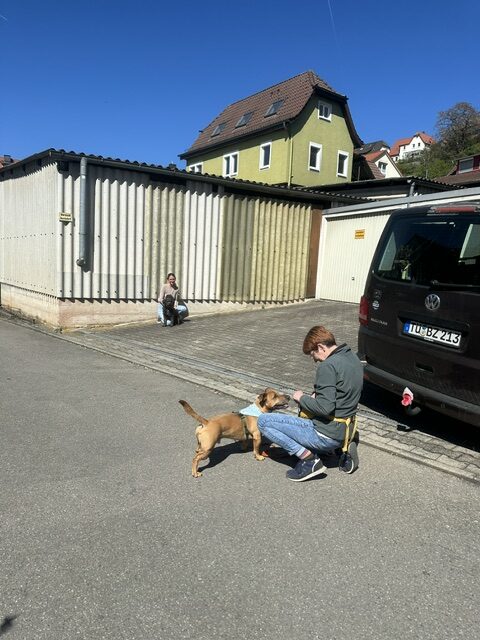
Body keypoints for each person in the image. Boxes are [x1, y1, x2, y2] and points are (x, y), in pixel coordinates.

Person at [257, 325, 363, 482]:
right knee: (307, 416)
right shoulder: (352, 358)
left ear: (320, 347)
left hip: (326, 434)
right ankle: (341, 452)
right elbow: (343, 391)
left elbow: (325, 408)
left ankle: (309, 460)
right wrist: (318, 394)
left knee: (263, 421)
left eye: (313, 354)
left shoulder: (328, 366)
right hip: (347, 429)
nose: (314, 359)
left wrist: (301, 398)